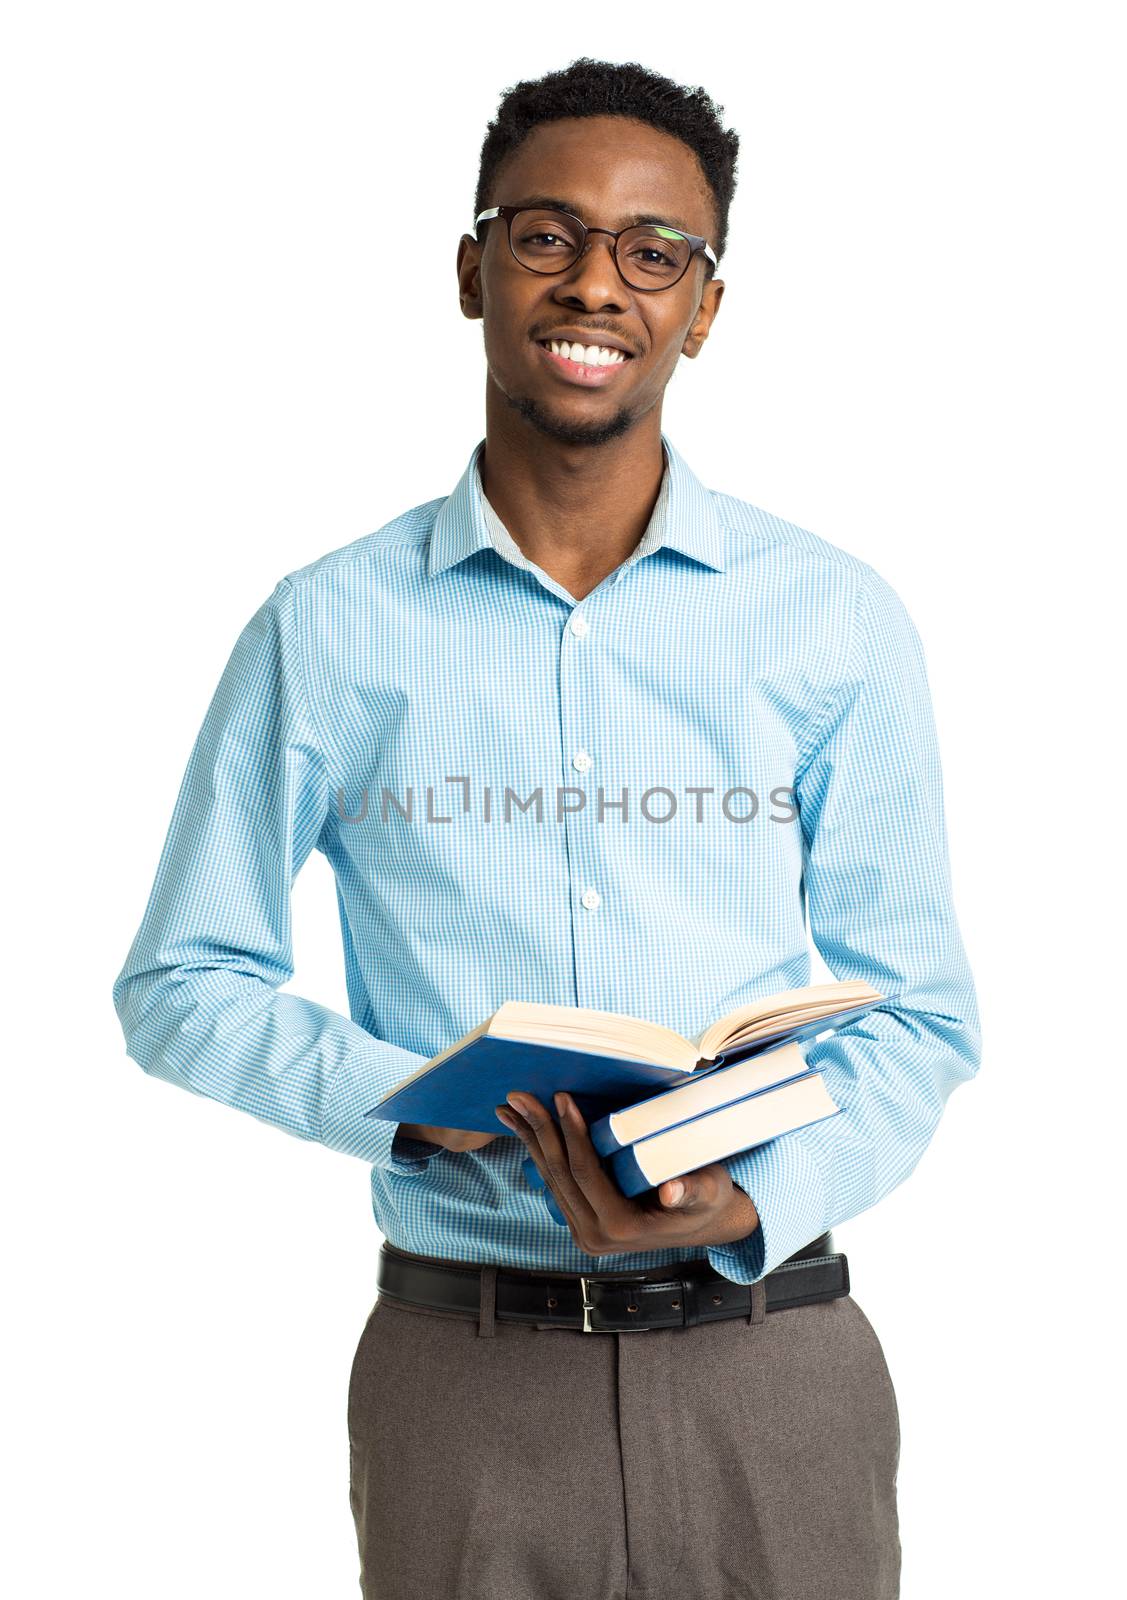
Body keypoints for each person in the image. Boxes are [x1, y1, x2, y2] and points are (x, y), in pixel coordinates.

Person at [112, 56, 980, 1600]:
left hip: (771, 1368)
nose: (599, 284)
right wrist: (418, 1102)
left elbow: (919, 1016)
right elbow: (182, 981)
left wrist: (757, 1198)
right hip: (466, 1376)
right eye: (547, 235)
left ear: (705, 309)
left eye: (659, 253)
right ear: (472, 268)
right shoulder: (327, 629)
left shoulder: (835, 620)